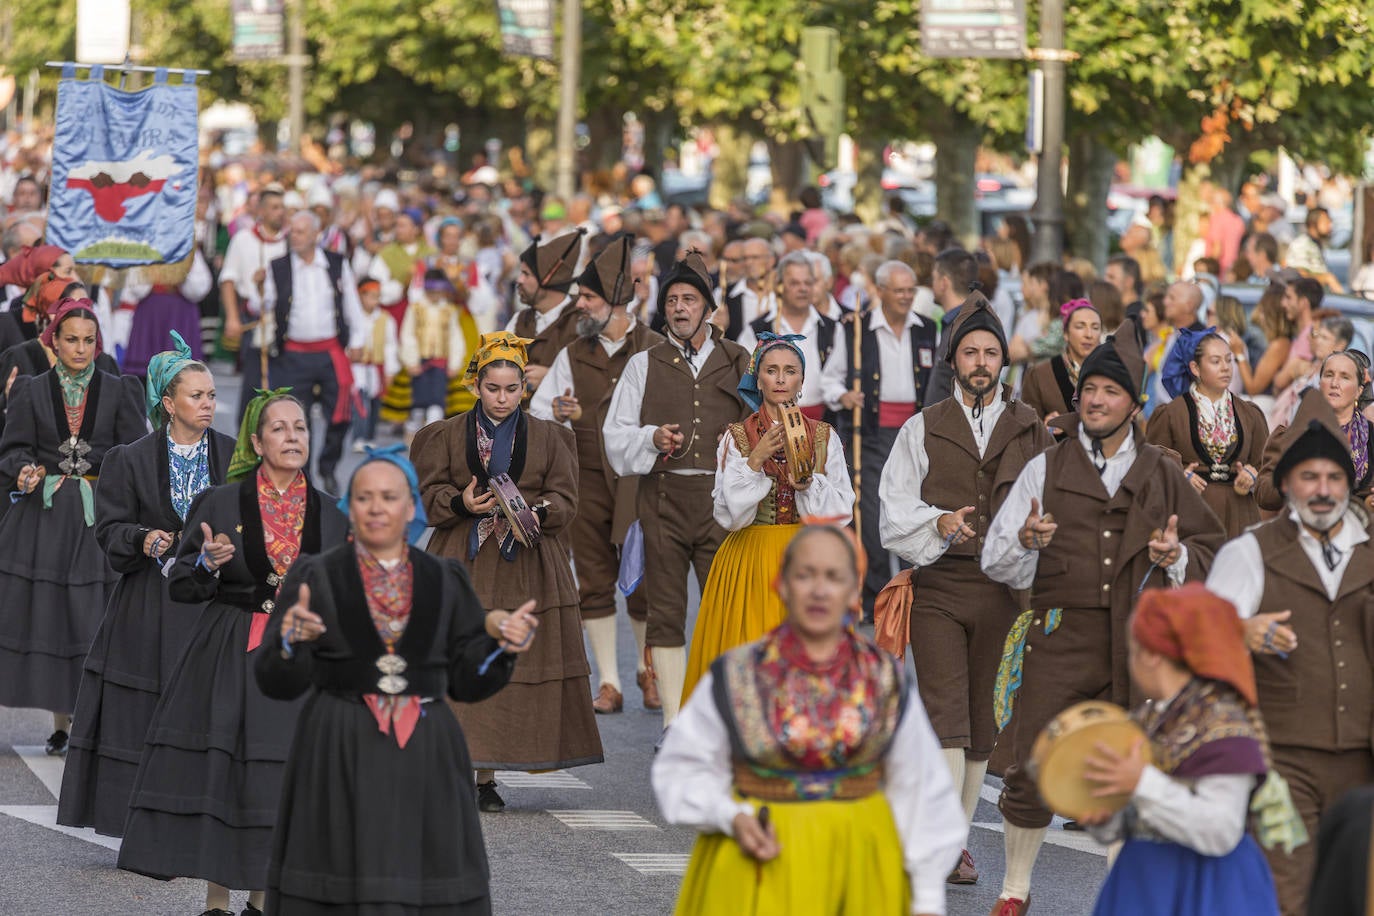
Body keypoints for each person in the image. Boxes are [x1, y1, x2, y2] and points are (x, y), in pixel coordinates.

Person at [980, 318, 1226, 916]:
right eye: (1089, 389)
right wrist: (1027, 543)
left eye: (1110, 391)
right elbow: (994, 559)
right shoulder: (1048, 466)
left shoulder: (1163, 474)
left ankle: (1125, 902)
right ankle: (1014, 890)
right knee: (1032, 765)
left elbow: (1216, 552)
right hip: (1059, 637)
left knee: (1131, 773)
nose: (1095, 399)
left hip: (1137, 646)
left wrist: (1177, 558)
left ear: (1134, 403)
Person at [253, 447, 539, 915]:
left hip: (425, 746)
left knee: (422, 875)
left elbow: (468, 681)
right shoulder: (316, 576)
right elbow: (275, 680)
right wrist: (290, 641)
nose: (377, 507)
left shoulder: (443, 577)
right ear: (350, 508)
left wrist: (501, 648)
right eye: (364, 497)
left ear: (411, 508)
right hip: (337, 742)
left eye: (389, 496)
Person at [654, 523, 967, 916]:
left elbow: (924, 795)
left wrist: (923, 901)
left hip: (859, 868)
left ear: (854, 593)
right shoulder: (737, 674)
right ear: (782, 586)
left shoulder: (882, 680)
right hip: (753, 860)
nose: (819, 590)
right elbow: (680, 770)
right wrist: (730, 815)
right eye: (805, 575)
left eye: (834, 577)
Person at [118, 391, 350, 916]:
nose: (293, 437)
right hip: (230, 651)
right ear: (256, 442)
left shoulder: (333, 514)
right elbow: (181, 585)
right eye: (280, 429)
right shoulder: (221, 502)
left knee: (279, 777)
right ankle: (218, 902)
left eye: (301, 428)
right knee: (228, 773)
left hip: (300, 659)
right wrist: (206, 564)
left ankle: (263, 901)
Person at [879, 292, 1053, 886]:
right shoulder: (921, 428)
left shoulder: (1030, 429)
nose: (980, 361)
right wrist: (937, 523)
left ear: (1004, 361)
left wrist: (1037, 531)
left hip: (1006, 591)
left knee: (984, 723)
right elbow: (892, 508)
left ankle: (950, 836)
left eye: (990, 352)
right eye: (970, 351)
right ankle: (948, 843)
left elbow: (1055, 503)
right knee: (947, 713)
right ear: (952, 360)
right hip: (940, 585)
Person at [412, 331, 602, 813]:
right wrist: (460, 501)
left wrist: (541, 513)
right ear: (476, 385)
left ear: (524, 389)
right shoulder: (446, 434)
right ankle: (452, 766)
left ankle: (485, 777)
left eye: (510, 389)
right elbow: (428, 493)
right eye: (492, 388)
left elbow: (567, 498)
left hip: (529, 561)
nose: (501, 398)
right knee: (457, 655)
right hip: (462, 556)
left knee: (511, 666)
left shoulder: (552, 437)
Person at [58, 334, 234, 836]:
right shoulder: (130, 458)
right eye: (197, 395)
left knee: (206, 710)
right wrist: (145, 539)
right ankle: (137, 820)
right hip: (147, 606)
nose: (207, 404)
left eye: (211, 395)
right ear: (168, 402)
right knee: (142, 714)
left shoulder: (233, 454)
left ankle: (200, 817)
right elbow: (108, 530)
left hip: (213, 603)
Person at [1206, 398, 1374, 916]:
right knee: (1286, 894)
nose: (1322, 489)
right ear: (1286, 485)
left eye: (1332, 477)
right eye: (1308, 476)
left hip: (1362, 765)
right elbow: (1199, 638)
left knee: (1353, 896)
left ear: (1348, 486)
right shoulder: (1251, 551)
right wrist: (1240, 629)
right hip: (1280, 761)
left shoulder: (1369, 552)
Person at [603, 251, 751, 726]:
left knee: (723, 614)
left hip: (724, 506)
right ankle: (672, 721)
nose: (680, 309)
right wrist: (651, 437)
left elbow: (762, 425)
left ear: (709, 308)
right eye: (671, 301)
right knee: (665, 613)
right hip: (663, 500)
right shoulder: (644, 364)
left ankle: (718, 718)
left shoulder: (739, 359)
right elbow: (616, 435)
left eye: (689, 299)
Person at [1079, 585, 1290, 916]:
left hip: (1210, 888)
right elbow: (1132, 818)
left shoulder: (1225, 725)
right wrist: (1105, 816)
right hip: (1143, 879)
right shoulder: (1145, 721)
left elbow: (1220, 830)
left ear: (1150, 655)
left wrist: (1141, 783)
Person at [0, 297, 145, 757]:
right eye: (71, 340)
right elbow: (13, 450)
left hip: (98, 518)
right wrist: (23, 469)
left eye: (88, 341)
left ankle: (86, 717)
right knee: (51, 615)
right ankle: (62, 721)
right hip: (43, 519)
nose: (80, 349)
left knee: (91, 615)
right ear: (54, 341)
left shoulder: (121, 390)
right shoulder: (31, 390)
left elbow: (134, 452)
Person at [529, 235, 665, 714]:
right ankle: (610, 681)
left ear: (615, 303)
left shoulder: (655, 349)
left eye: (588, 297)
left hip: (640, 483)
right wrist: (562, 414)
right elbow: (543, 412)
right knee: (593, 579)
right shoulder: (573, 350)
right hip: (586, 480)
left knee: (644, 584)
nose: (579, 304)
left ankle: (649, 670)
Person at [682, 333, 854, 701]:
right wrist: (755, 460)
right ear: (757, 379)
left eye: (789, 371)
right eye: (771, 370)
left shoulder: (824, 437)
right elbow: (728, 515)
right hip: (750, 562)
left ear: (801, 381)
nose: (780, 379)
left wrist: (808, 485)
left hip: (807, 563)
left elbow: (842, 511)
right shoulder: (736, 438)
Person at [822, 259, 938, 619]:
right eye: (899, 290)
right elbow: (831, 378)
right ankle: (874, 597)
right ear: (881, 291)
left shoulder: (925, 330)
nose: (906, 297)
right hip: (871, 435)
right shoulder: (857, 329)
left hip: (914, 437)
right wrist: (844, 396)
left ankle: (912, 592)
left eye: (910, 290)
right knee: (871, 516)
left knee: (911, 511)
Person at [258, 211, 369, 493]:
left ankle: (328, 466)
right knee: (297, 418)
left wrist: (357, 339)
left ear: (315, 235)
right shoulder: (278, 266)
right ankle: (302, 475)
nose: (294, 237)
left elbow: (352, 305)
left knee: (340, 415)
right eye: (292, 231)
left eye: (300, 232)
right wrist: (257, 288)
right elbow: (261, 306)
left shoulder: (335, 264)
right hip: (293, 354)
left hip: (331, 352)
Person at [1147, 329, 1269, 538]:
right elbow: (1150, 465)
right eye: (1215, 361)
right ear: (1195, 367)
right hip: (1191, 514)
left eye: (1229, 360)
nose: (1225, 368)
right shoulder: (1171, 414)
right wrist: (1179, 475)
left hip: (1240, 515)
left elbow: (1266, 466)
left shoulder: (1250, 413)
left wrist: (1252, 476)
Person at [736, 251, 845, 420]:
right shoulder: (758, 329)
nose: (802, 289)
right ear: (779, 285)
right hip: (772, 421)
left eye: (808, 283)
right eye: (794, 283)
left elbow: (836, 377)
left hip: (821, 421)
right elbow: (747, 377)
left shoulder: (832, 328)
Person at [1258, 360, 1374, 511]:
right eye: (1329, 375)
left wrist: (1369, 501)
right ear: (1320, 384)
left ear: (1359, 391)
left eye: (1345, 377)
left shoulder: (1370, 436)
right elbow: (1264, 495)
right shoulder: (1292, 435)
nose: (1334, 383)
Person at [505, 229, 586, 393]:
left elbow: (597, 380)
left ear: (548, 281)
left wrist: (553, 378)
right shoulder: (518, 320)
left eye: (526, 274)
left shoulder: (584, 320)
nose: (519, 280)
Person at [219, 184, 287, 355]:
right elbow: (228, 280)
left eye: (282, 208)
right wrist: (232, 318)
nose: (281, 212)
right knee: (254, 377)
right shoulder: (242, 239)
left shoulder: (289, 244)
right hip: (251, 319)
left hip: (282, 319)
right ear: (261, 211)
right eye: (275, 208)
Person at [398, 268, 468, 427]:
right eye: (432, 291)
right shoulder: (415, 308)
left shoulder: (449, 310)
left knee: (437, 399)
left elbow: (455, 337)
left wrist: (454, 363)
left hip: (440, 362)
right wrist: (411, 360)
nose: (436, 295)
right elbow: (407, 334)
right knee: (419, 400)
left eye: (439, 291)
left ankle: (433, 431)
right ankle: (415, 433)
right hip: (419, 361)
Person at [1019, 299, 1103, 429]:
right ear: (1066, 334)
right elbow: (1026, 427)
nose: (1089, 334)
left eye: (1095, 327)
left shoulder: (1110, 374)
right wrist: (1045, 427)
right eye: (1080, 326)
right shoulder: (1040, 374)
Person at [347, 278, 399, 451]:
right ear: (360, 296)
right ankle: (358, 436)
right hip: (357, 366)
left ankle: (370, 436)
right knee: (360, 401)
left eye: (377, 297)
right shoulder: (352, 317)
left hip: (375, 366)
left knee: (375, 400)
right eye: (371, 296)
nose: (375, 301)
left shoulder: (385, 318)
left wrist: (390, 370)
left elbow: (390, 345)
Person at [1285, 206, 1343, 293]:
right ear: (1313, 224)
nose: (1329, 225)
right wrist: (1326, 279)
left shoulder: (1316, 245)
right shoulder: (1302, 244)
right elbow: (1299, 274)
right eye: (1325, 221)